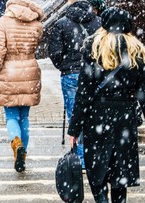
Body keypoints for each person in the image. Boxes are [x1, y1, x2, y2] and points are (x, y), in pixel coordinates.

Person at [68, 7, 145, 203]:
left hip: (97, 118)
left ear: (104, 25)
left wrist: (74, 129)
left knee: (96, 169)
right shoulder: (137, 52)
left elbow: (83, 91)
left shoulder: (94, 47)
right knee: (120, 175)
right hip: (124, 119)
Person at [48, 0, 102, 170]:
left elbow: (55, 52)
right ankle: (94, 155)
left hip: (71, 74)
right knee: (94, 114)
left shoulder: (61, 23)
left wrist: (65, 65)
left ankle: (81, 159)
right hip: (94, 73)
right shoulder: (99, 22)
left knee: (75, 116)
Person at [0, 0, 44, 172]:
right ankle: (23, 154)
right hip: (29, 71)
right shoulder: (36, 23)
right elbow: (36, 44)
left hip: (9, 71)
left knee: (11, 115)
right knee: (25, 117)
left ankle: (16, 144)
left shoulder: (4, 21)